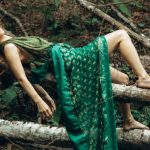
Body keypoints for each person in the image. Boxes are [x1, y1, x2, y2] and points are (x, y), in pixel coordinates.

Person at [0, 25, 150, 150]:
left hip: (69, 56)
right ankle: (143, 77)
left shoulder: (12, 42)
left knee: (123, 79)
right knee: (121, 35)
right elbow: (22, 78)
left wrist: (45, 95)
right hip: (72, 61)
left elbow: (28, 75)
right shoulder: (9, 47)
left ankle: (128, 120)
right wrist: (39, 101)